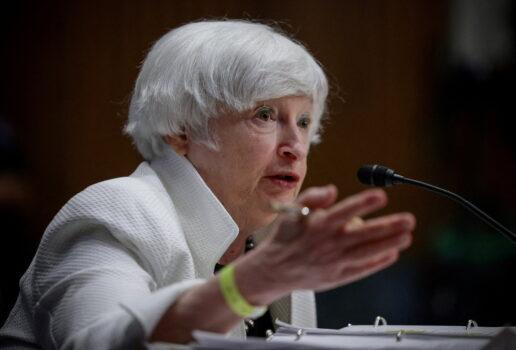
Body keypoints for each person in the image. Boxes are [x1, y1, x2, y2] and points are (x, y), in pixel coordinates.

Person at [0, 20, 415, 349]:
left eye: (303, 122)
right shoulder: (116, 211)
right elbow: (99, 342)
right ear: (182, 130)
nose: (295, 148)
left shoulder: (274, 241)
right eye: (266, 115)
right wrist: (254, 281)